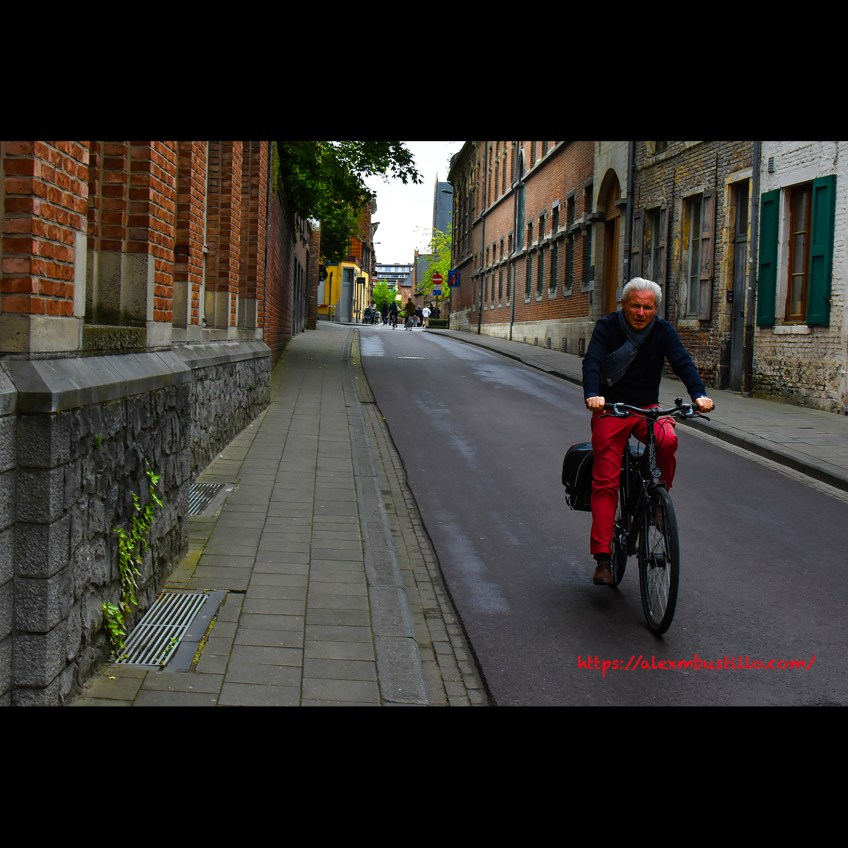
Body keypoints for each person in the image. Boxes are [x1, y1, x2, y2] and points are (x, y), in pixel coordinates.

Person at [581, 277, 714, 587]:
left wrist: (699, 394)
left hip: (647, 409)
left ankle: (655, 499)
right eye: (635, 306)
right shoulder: (607, 327)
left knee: (667, 439)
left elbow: (682, 361)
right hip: (611, 408)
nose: (641, 313)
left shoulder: (663, 330)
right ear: (623, 305)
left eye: (648, 308)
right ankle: (603, 558)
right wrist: (593, 394)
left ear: (656, 309)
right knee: (606, 482)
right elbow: (593, 361)